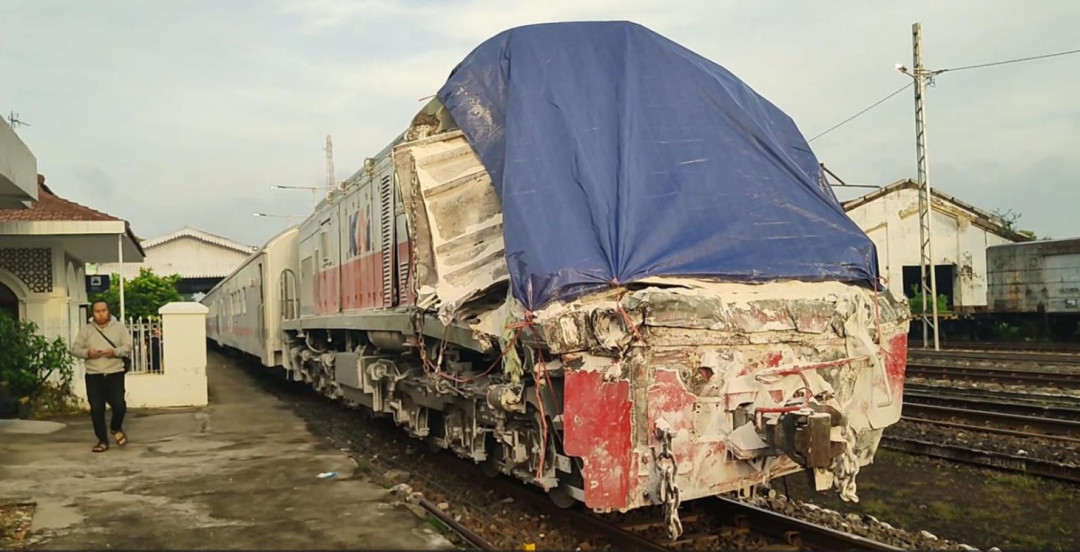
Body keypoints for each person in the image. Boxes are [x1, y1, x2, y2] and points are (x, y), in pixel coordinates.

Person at [71, 301, 132, 452]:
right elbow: (75, 349)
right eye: (97, 311)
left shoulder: (119, 328)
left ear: (109, 311)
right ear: (93, 313)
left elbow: (128, 347)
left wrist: (115, 352)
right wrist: (88, 353)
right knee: (97, 409)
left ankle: (115, 427)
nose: (100, 314)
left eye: (103, 310)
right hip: (94, 375)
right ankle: (102, 440)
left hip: (115, 373)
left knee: (119, 404)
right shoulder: (86, 330)